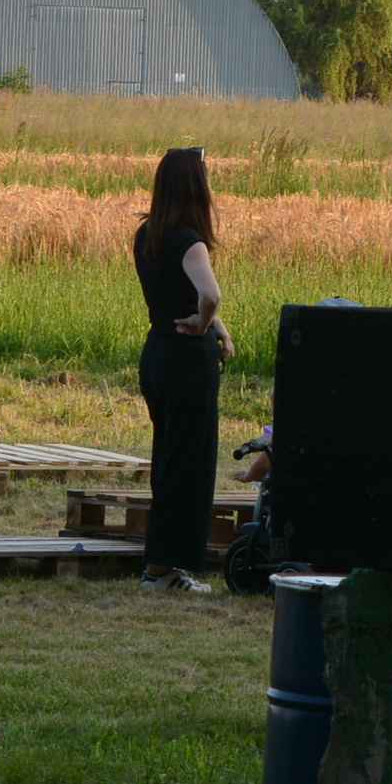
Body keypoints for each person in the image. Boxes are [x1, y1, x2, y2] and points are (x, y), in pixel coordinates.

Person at [132, 146, 233, 594]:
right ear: (196, 188)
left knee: (168, 460)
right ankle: (166, 568)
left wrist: (218, 328)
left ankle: (159, 563)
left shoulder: (147, 235)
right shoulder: (190, 241)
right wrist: (206, 323)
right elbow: (209, 295)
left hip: (157, 353)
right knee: (190, 466)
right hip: (188, 362)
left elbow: (178, 296)